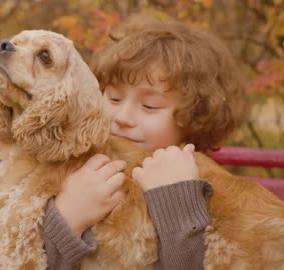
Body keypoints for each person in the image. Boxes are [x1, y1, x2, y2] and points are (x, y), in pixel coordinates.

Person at [40, 14, 248, 270]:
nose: (123, 118)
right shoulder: (81, 172)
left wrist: (179, 204)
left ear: (195, 117)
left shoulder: (211, 195)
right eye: (114, 98)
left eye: (150, 106)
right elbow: (26, 262)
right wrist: (67, 218)